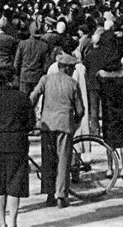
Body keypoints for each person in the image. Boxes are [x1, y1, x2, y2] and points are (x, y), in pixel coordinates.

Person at [0, 65, 34, 227]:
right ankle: (13, 225)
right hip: (17, 143)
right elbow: (30, 124)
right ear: (12, 78)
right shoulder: (22, 97)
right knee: (14, 185)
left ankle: (1, 224)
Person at [29, 53, 85, 208]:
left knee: (48, 160)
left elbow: (32, 98)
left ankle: (49, 194)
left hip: (47, 125)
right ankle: (61, 195)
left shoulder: (45, 80)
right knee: (63, 161)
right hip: (64, 125)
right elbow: (80, 110)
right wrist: (75, 123)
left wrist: (31, 117)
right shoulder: (73, 83)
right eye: (73, 68)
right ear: (66, 68)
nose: (74, 70)